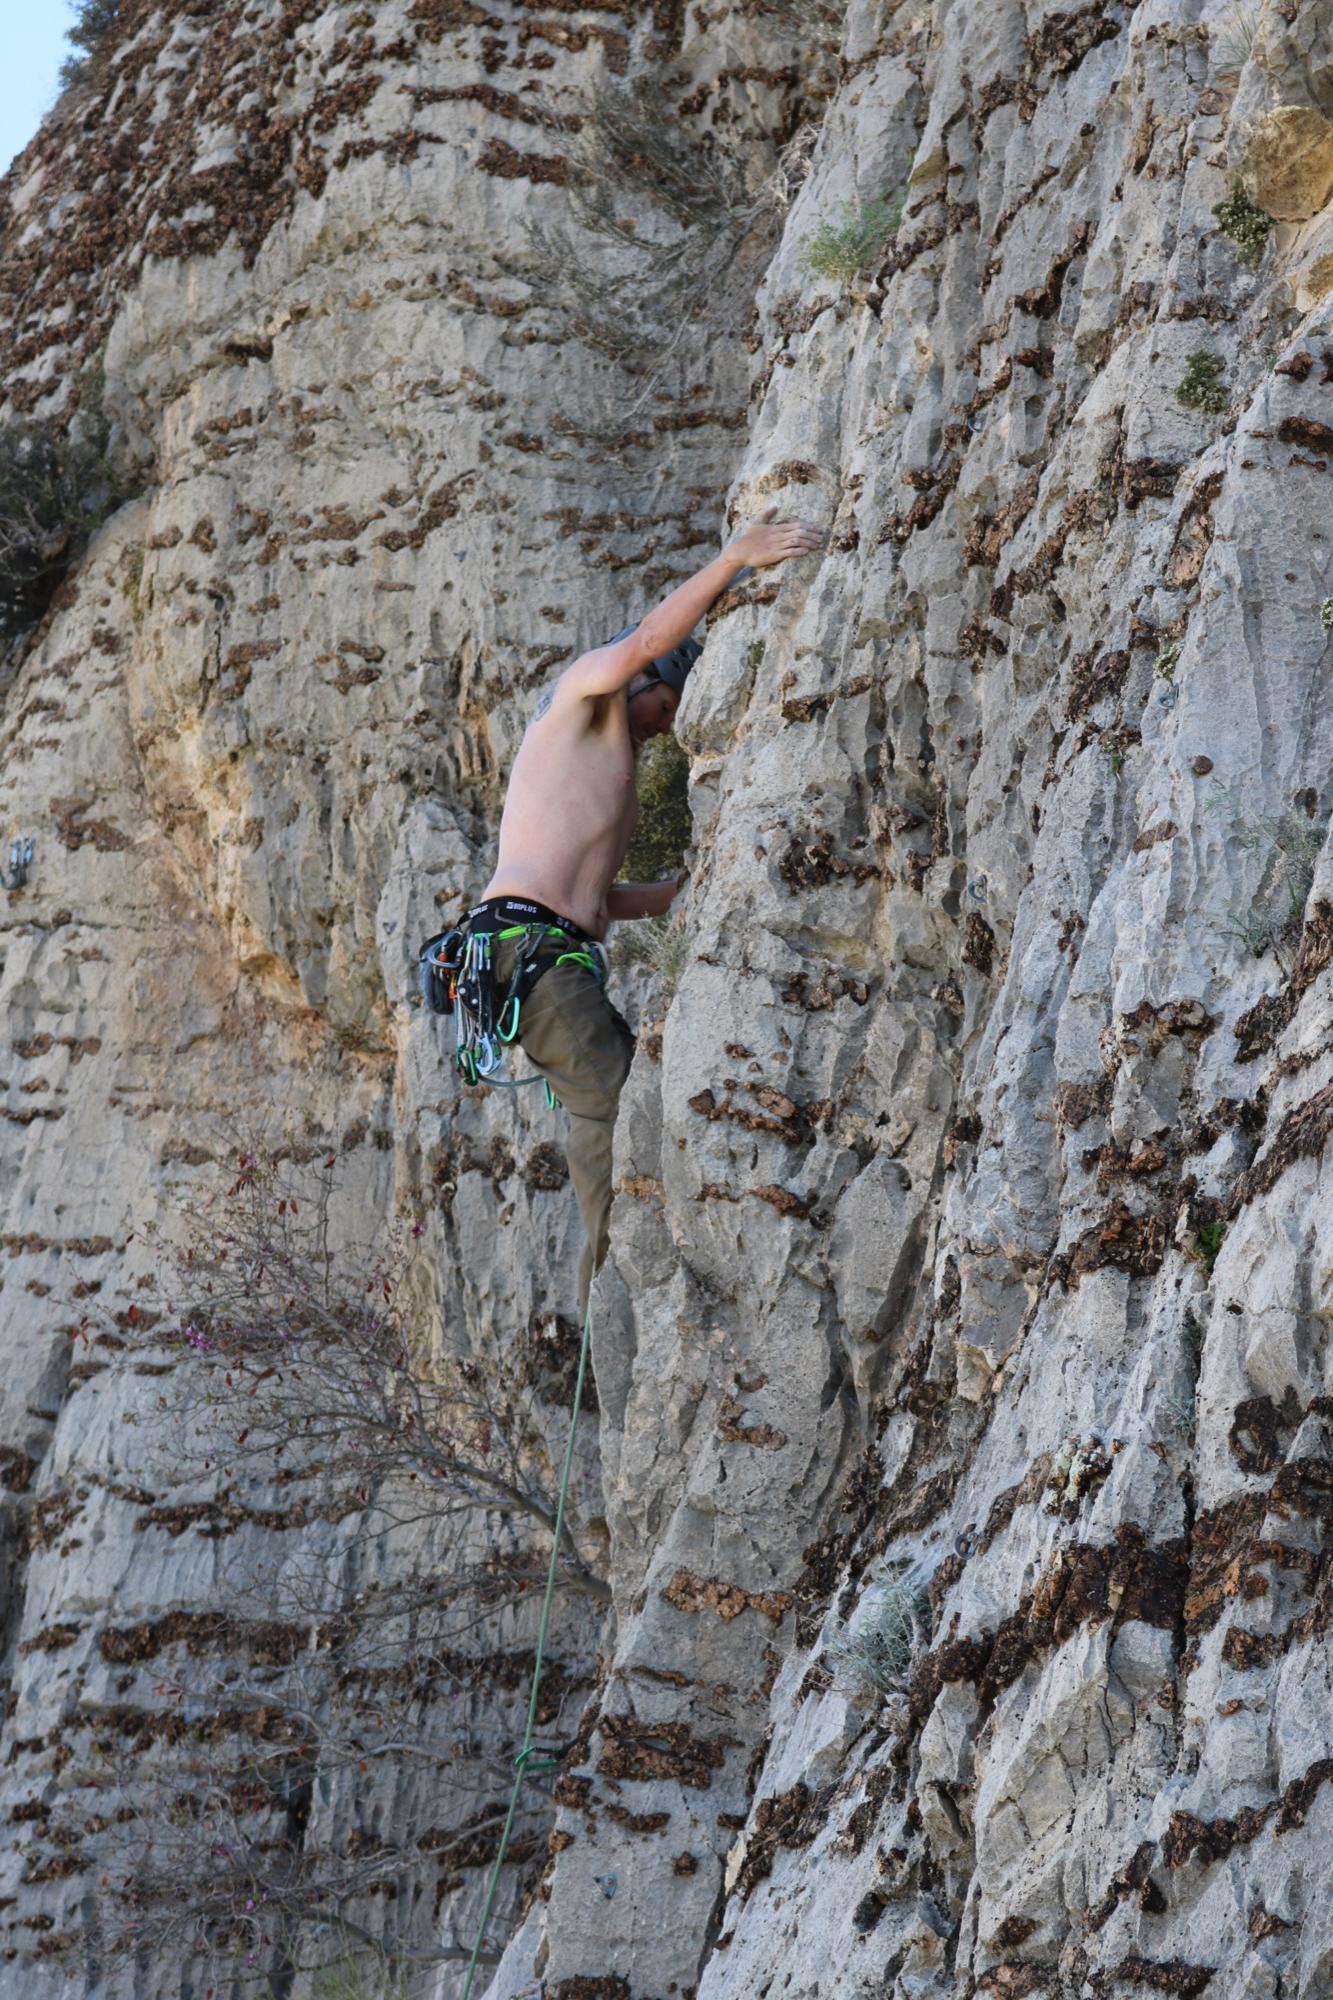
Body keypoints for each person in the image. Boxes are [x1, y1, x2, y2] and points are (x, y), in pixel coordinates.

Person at [466, 505, 823, 1315]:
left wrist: (685, 894)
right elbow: (649, 639)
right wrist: (738, 557)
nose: (668, 725)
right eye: (667, 705)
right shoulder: (580, 697)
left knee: (616, 1102)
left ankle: (614, 1272)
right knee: (610, 1101)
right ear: (645, 686)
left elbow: (597, 898)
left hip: (545, 950)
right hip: (527, 950)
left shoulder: (610, 774)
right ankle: (609, 1296)